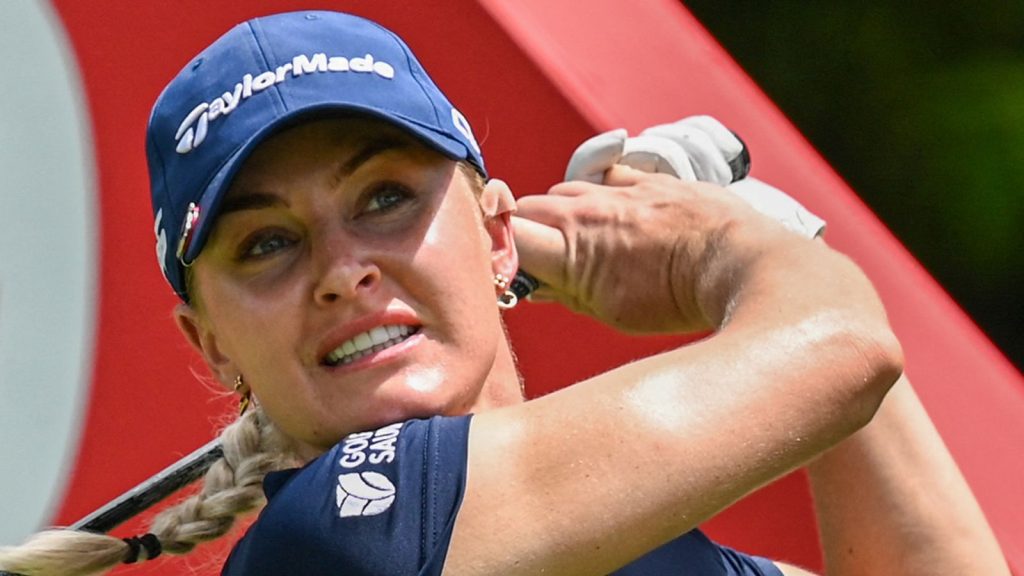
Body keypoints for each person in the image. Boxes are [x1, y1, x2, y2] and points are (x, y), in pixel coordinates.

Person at [0, 9, 1009, 576]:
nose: (343, 269)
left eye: (386, 198)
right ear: (210, 340)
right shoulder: (342, 539)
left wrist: (771, 237)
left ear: (492, 231)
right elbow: (841, 350)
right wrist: (728, 248)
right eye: (268, 242)